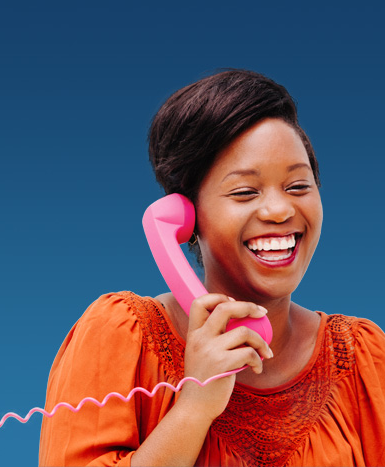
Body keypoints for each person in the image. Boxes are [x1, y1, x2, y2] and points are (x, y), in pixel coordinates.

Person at [39, 69, 385, 467]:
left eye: (298, 186)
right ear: (186, 216)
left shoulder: (364, 359)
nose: (279, 210)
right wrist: (194, 408)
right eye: (244, 192)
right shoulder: (118, 335)